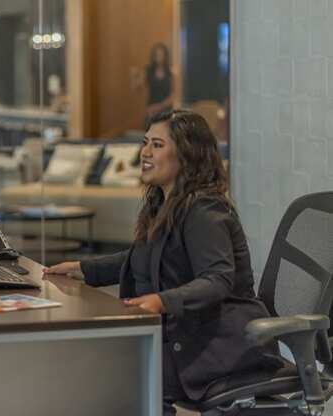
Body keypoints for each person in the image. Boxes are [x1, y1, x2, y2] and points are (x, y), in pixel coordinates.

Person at [44, 109, 280, 415]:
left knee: (123, 375)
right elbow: (142, 259)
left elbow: (218, 279)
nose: (144, 152)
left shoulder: (204, 210)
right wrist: (81, 269)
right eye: (145, 143)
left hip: (218, 342)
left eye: (157, 145)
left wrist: (161, 301)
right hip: (185, 335)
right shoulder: (165, 203)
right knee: (105, 366)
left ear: (187, 154)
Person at [140, 43, 174, 123]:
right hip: (151, 108)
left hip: (165, 109)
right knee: (149, 131)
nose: (158, 57)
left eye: (161, 54)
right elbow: (140, 87)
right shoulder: (148, 71)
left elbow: (173, 96)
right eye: (156, 54)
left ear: (165, 56)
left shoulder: (170, 72)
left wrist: (158, 107)